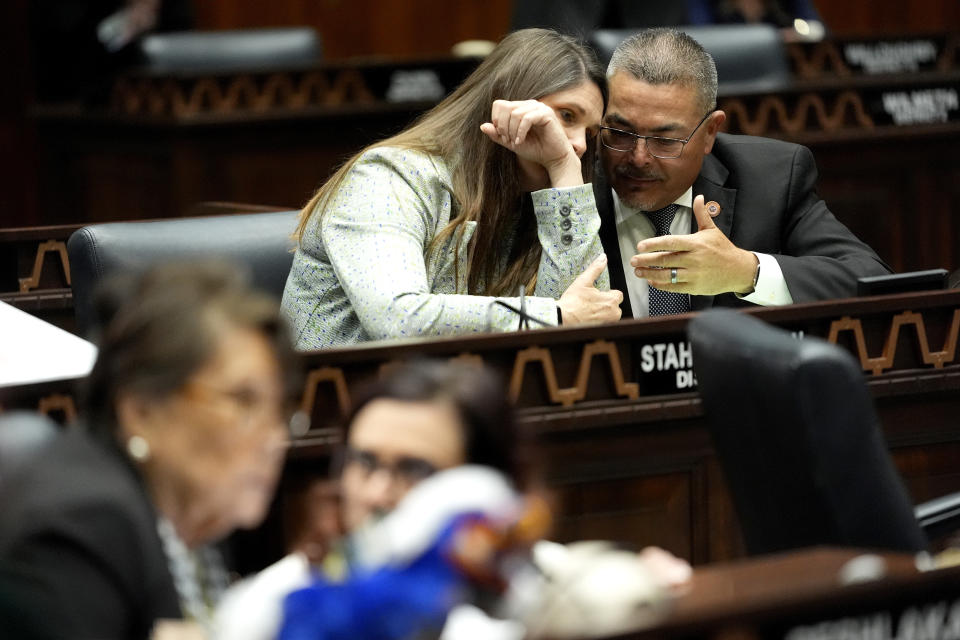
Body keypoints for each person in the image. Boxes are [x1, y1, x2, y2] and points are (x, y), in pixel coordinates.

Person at [212, 360, 689, 639]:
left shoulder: (533, 576)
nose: (377, 494)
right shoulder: (279, 603)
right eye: (364, 463)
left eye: (414, 471)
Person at [0, 261, 299, 639]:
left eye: (279, 410)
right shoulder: (79, 531)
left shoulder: (192, 510)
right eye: (243, 402)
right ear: (141, 412)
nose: (274, 438)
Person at [281, 28, 623, 349]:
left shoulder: (540, 203)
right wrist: (554, 316)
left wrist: (565, 174)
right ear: (507, 105)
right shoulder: (389, 177)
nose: (577, 145)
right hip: (333, 401)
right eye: (566, 116)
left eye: (590, 133)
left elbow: (585, 323)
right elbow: (398, 320)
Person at [593, 28, 891, 318]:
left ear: (710, 132)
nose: (638, 157)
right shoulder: (572, 180)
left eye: (666, 140)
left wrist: (747, 271)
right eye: (620, 132)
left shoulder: (770, 178)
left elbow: (872, 280)